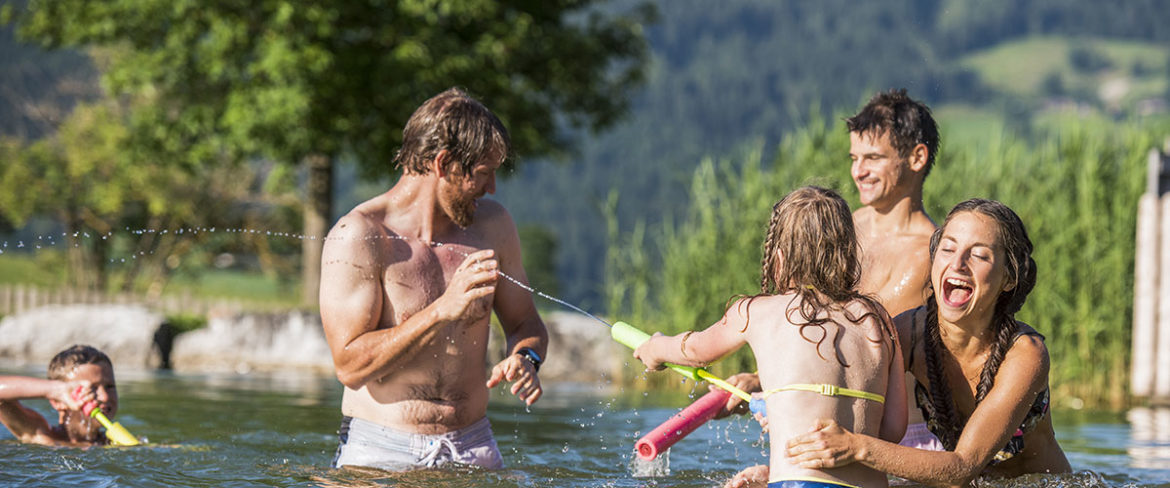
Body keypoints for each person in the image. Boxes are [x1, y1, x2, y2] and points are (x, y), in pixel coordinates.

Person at [319, 87, 550, 472]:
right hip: (381, 450)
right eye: (483, 174)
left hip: (475, 445)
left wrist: (526, 357)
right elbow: (349, 365)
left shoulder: (494, 226)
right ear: (444, 164)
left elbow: (526, 322)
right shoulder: (360, 235)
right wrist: (442, 310)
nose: (492, 188)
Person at [722, 89, 943, 486]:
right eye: (854, 159)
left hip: (905, 445)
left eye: (873, 158)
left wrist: (761, 382)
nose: (859, 171)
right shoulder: (840, 230)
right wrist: (766, 381)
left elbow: (863, 341)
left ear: (917, 158)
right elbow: (807, 319)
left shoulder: (934, 255)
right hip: (824, 437)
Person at [634, 186, 907, 488]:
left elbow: (696, 349)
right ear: (848, 252)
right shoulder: (878, 320)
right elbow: (894, 430)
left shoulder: (757, 312)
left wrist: (655, 348)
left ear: (778, 257)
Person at [785, 199, 1072, 486]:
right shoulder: (908, 334)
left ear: (1009, 278)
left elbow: (961, 468)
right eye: (947, 249)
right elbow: (836, 387)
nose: (957, 264)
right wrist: (792, 472)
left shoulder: (1024, 355)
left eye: (979, 255)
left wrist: (856, 447)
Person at [0, 345, 118, 447]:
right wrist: (56, 390)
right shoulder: (42, 436)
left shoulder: (113, 442)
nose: (105, 397)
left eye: (110, 386)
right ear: (57, 402)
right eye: (91, 389)